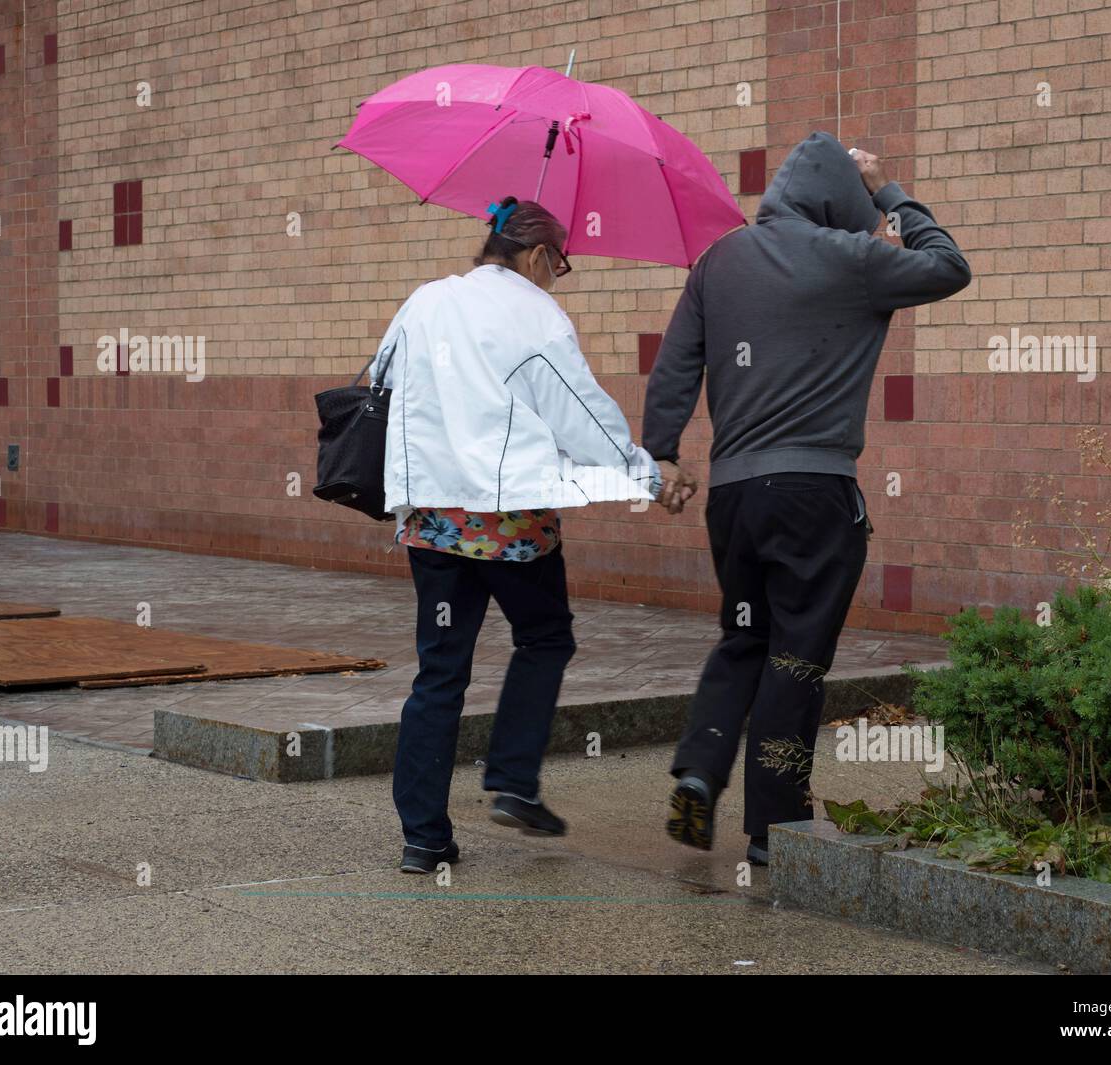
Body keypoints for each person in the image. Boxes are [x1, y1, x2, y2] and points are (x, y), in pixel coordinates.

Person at [643, 133, 971, 865]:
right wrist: (889, 192)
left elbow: (674, 367)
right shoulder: (853, 259)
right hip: (815, 494)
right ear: (839, 206)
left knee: (743, 636)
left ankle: (699, 766)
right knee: (795, 658)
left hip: (733, 496)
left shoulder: (717, 261)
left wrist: (662, 451)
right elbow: (950, 266)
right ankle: (774, 827)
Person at [372, 196, 685, 873]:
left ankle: (423, 837)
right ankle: (513, 779)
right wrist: (648, 477)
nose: (557, 278)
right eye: (560, 264)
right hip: (511, 523)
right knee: (545, 636)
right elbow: (582, 419)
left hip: (432, 522)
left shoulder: (423, 302)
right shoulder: (537, 314)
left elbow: (379, 384)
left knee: (439, 673)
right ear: (539, 256)